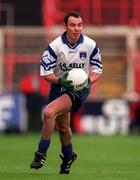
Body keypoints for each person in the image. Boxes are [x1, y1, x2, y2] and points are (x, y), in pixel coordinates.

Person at [30, 11, 102, 174]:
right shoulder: (55, 46)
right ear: (65, 27)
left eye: (79, 25)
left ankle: (41, 153)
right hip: (58, 88)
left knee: (49, 113)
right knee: (63, 128)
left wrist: (88, 81)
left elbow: (97, 69)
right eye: (73, 25)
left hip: (78, 90)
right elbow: (46, 74)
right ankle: (69, 156)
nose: (77, 29)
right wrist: (61, 81)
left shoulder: (90, 45)